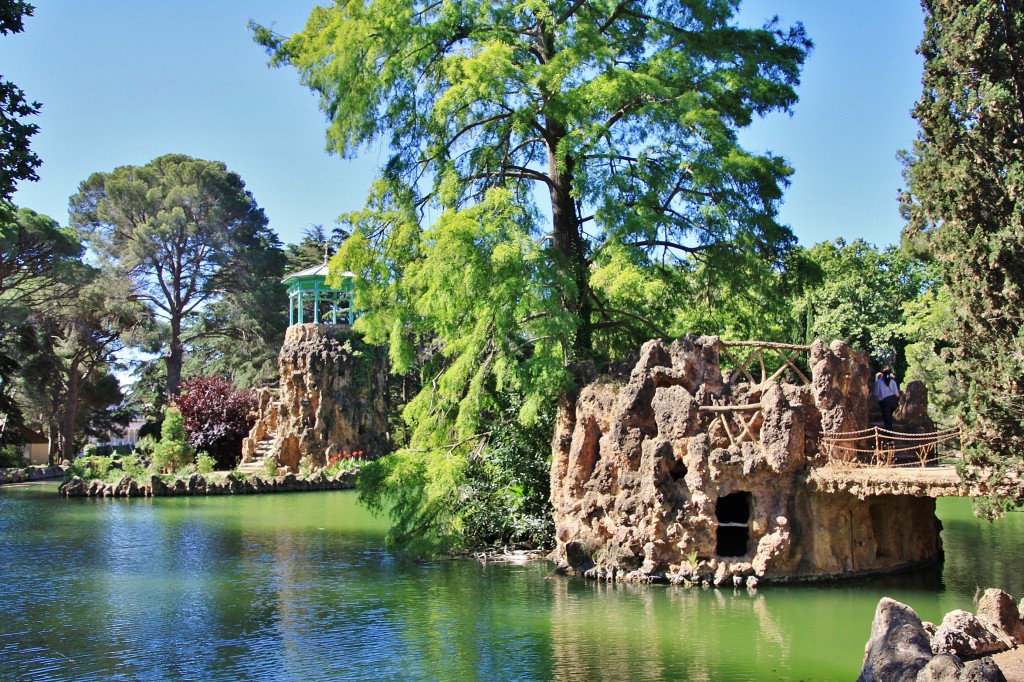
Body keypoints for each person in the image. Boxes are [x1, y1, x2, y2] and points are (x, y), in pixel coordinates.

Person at [875, 367, 901, 431]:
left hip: (884, 402)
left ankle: (889, 438)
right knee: (890, 418)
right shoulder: (892, 382)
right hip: (893, 402)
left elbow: (876, 394)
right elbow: (897, 394)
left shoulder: (879, 382)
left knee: (887, 420)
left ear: (882, 374)